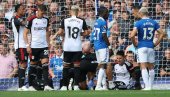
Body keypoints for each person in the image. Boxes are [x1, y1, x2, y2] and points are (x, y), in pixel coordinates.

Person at [52, 5, 90, 90]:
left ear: (70, 11)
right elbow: (87, 32)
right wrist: (80, 33)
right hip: (77, 46)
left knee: (66, 67)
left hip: (67, 46)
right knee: (77, 66)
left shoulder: (65, 20)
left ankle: (65, 86)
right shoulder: (81, 20)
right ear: (78, 11)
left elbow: (61, 32)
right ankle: (76, 85)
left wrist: (65, 35)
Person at [129, 7, 165, 90]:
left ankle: (147, 86)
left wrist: (135, 44)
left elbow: (132, 35)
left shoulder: (138, 23)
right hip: (150, 46)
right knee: (151, 67)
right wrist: (155, 43)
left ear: (141, 13)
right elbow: (162, 33)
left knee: (143, 66)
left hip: (141, 46)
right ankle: (151, 86)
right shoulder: (154, 22)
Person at [23, 5, 53, 91]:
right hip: (34, 47)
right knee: (33, 66)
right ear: (38, 10)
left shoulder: (46, 20)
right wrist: (27, 45)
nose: (42, 14)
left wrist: (48, 42)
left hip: (43, 46)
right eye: (41, 12)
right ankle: (31, 86)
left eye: (44, 13)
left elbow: (47, 31)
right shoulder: (31, 19)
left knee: (45, 65)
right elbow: (25, 33)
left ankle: (47, 85)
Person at [91, 7, 112, 90]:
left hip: (96, 45)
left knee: (101, 66)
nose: (108, 14)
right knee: (103, 66)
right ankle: (98, 85)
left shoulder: (97, 21)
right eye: (107, 12)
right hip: (102, 46)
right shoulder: (103, 22)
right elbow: (104, 35)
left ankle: (104, 86)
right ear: (103, 13)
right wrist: (109, 45)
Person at [11, 4, 28, 91]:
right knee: (22, 64)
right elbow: (24, 23)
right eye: (22, 9)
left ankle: (22, 85)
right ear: (17, 10)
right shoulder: (15, 19)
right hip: (20, 45)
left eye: (24, 8)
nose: (24, 10)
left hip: (24, 45)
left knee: (24, 65)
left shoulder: (20, 18)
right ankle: (21, 86)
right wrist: (31, 20)